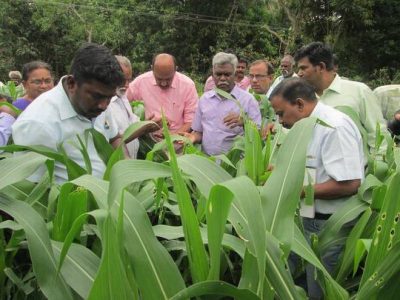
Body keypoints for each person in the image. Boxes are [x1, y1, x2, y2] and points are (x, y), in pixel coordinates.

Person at [269, 78, 364, 299]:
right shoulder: (305, 125)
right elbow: (313, 166)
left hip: (328, 225)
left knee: (319, 290)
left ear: (300, 104)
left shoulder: (334, 127)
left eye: (281, 113)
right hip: (306, 217)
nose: (279, 121)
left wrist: (294, 190)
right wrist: (281, 172)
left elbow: (349, 184)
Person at [12, 43, 125, 182]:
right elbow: (31, 187)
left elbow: (114, 138)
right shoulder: (37, 123)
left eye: (109, 97)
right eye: (97, 96)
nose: (104, 105)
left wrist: (129, 175)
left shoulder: (99, 104)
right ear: (71, 83)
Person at [294, 42, 387, 153]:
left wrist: (377, 165)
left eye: (303, 68)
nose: (299, 73)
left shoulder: (358, 91)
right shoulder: (301, 99)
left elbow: (377, 133)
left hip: (358, 169)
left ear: (321, 67)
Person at [185, 52, 261, 155]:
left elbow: (259, 134)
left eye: (227, 74)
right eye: (218, 74)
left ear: (235, 75)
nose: (222, 78)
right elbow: (199, 131)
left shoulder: (248, 100)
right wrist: (192, 137)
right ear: (212, 75)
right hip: (207, 162)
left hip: (235, 165)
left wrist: (244, 122)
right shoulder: (205, 99)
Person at [126, 53, 198, 140]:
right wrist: (143, 124)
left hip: (177, 142)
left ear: (176, 70)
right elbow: (122, 100)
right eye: (159, 79)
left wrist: (172, 136)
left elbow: (191, 121)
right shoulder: (141, 82)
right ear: (152, 69)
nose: (164, 83)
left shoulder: (187, 85)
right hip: (148, 141)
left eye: (168, 79)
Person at [107, 55, 158, 159]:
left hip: (130, 160)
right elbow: (112, 140)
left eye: (129, 80)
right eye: (122, 80)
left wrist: (148, 124)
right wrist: (142, 129)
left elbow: (132, 123)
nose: (126, 85)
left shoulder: (122, 96)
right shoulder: (104, 105)